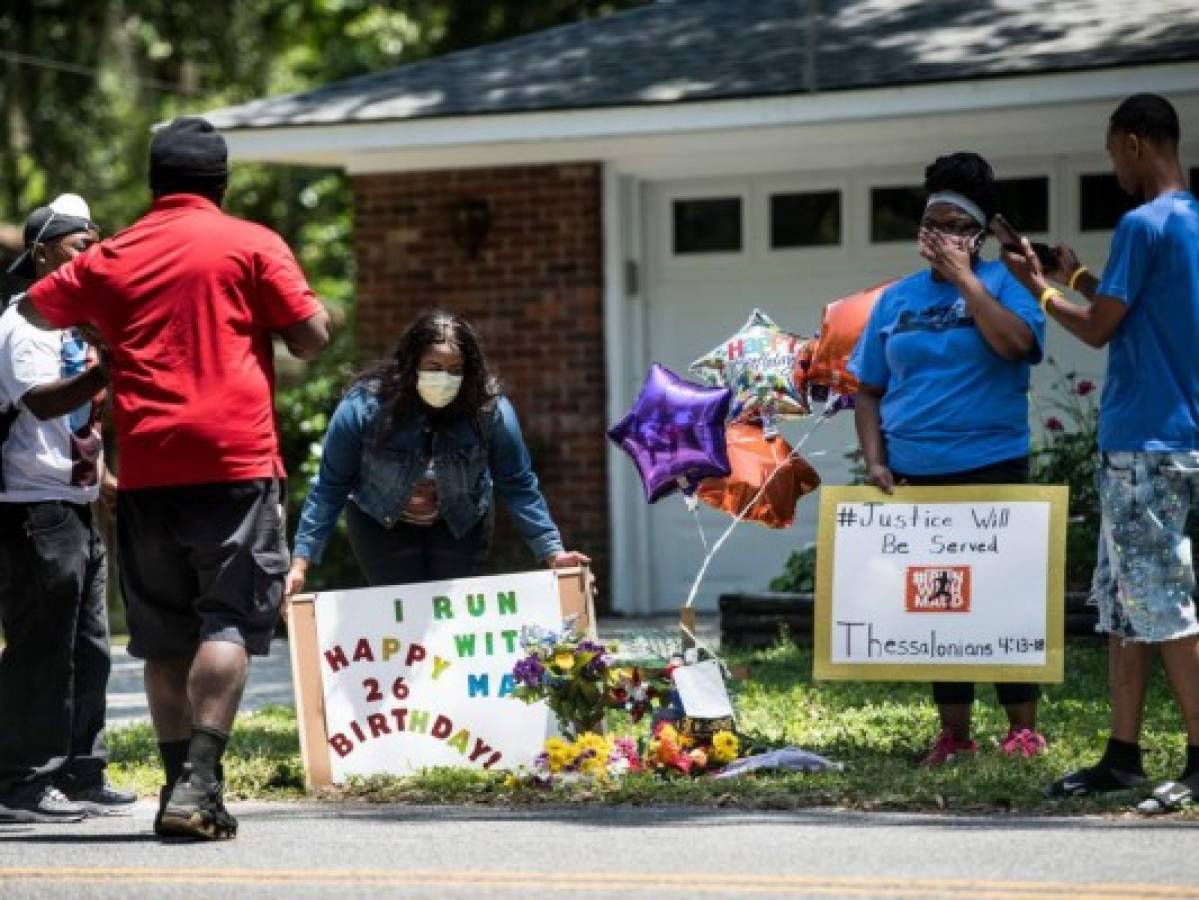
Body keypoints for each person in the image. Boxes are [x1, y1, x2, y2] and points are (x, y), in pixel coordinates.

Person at [21, 118, 332, 839]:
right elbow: (311, 339)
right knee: (228, 618)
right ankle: (199, 779)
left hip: (149, 468)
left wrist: (109, 332)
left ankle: (175, 791)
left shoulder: (117, 252)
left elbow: (37, 308)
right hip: (237, 460)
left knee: (163, 635)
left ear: (155, 183)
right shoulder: (253, 243)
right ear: (220, 183)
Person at [1002, 93, 1199, 812]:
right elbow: (1134, 308)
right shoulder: (1188, 223)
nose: (1110, 163)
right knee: (1123, 607)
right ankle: (1122, 757)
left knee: (1165, 607)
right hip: (1177, 436)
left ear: (1137, 142)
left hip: (1142, 442)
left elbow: (1096, 330)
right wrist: (1076, 276)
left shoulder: (1141, 223)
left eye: (1112, 148)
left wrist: (1040, 290)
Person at [849, 152, 1047, 766]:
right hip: (917, 474)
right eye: (927, 220)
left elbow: (1019, 345)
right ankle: (955, 733)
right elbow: (868, 387)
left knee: (1001, 598)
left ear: (975, 234)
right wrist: (876, 459)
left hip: (992, 465)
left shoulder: (1008, 284)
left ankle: (1021, 729)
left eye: (949, 223)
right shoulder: (894, 301)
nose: (933, 232)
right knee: (942, 603)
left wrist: (967, 281)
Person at [286, 310, 588, 596]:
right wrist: (301, 563)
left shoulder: (489, 410)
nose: (444, 378)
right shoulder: (364, 407)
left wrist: (553, 553)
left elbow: (518, 484)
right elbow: (330, 486)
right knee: (400, 615)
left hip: (460, 523)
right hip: (380, 522)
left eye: (455, 370)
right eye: (433, 368)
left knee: (451, 621)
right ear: (411, 365)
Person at [0, 194, 133, 822]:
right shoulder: (23, 324)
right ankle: (20, 782)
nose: (95, 255)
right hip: (31, 506)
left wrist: (102, 474)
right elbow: (45, 404)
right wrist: (109, 369)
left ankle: (83, 770)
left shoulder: (75, 323)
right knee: (41, 647)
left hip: (75, 500)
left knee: (91, 647)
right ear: (46, 251)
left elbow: (79, 421)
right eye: (84, 246)